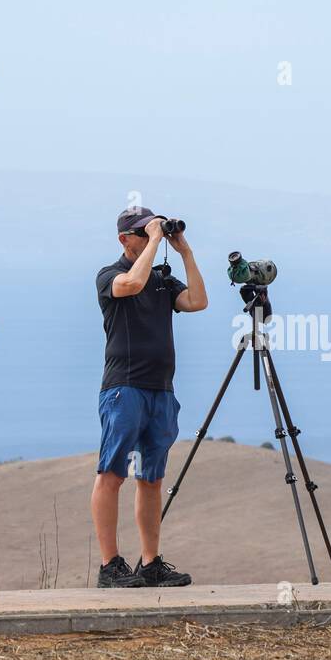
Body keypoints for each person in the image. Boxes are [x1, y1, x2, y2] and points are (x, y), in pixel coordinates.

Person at [91, 206, 207, 587]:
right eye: (141, 233)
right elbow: (131, 285)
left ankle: (150, 562)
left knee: (152, 478)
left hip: (161, 390)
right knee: (112, 474)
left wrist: (185, 250)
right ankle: (110, 566)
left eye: (151, 230)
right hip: (124, 389)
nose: (149, 237)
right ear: (124, 239)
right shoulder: (111, 275)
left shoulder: (161, 280)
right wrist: (156, 241)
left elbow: (197, 301)